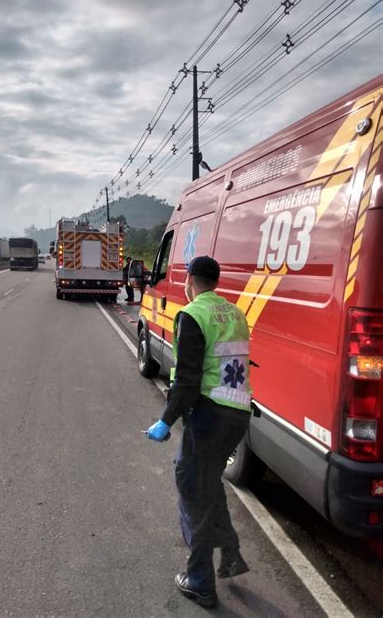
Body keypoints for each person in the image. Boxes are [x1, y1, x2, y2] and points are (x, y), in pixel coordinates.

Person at [145, 256, 252, 609]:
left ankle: (200, 581)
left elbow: (188, 378)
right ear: (217, 281)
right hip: (237, 414)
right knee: (208, 482)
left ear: (190, 279)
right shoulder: (235, 313)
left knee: (192, 488)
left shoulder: (192, 315)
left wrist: (166, 419)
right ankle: (231, 553)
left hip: (210, 415)